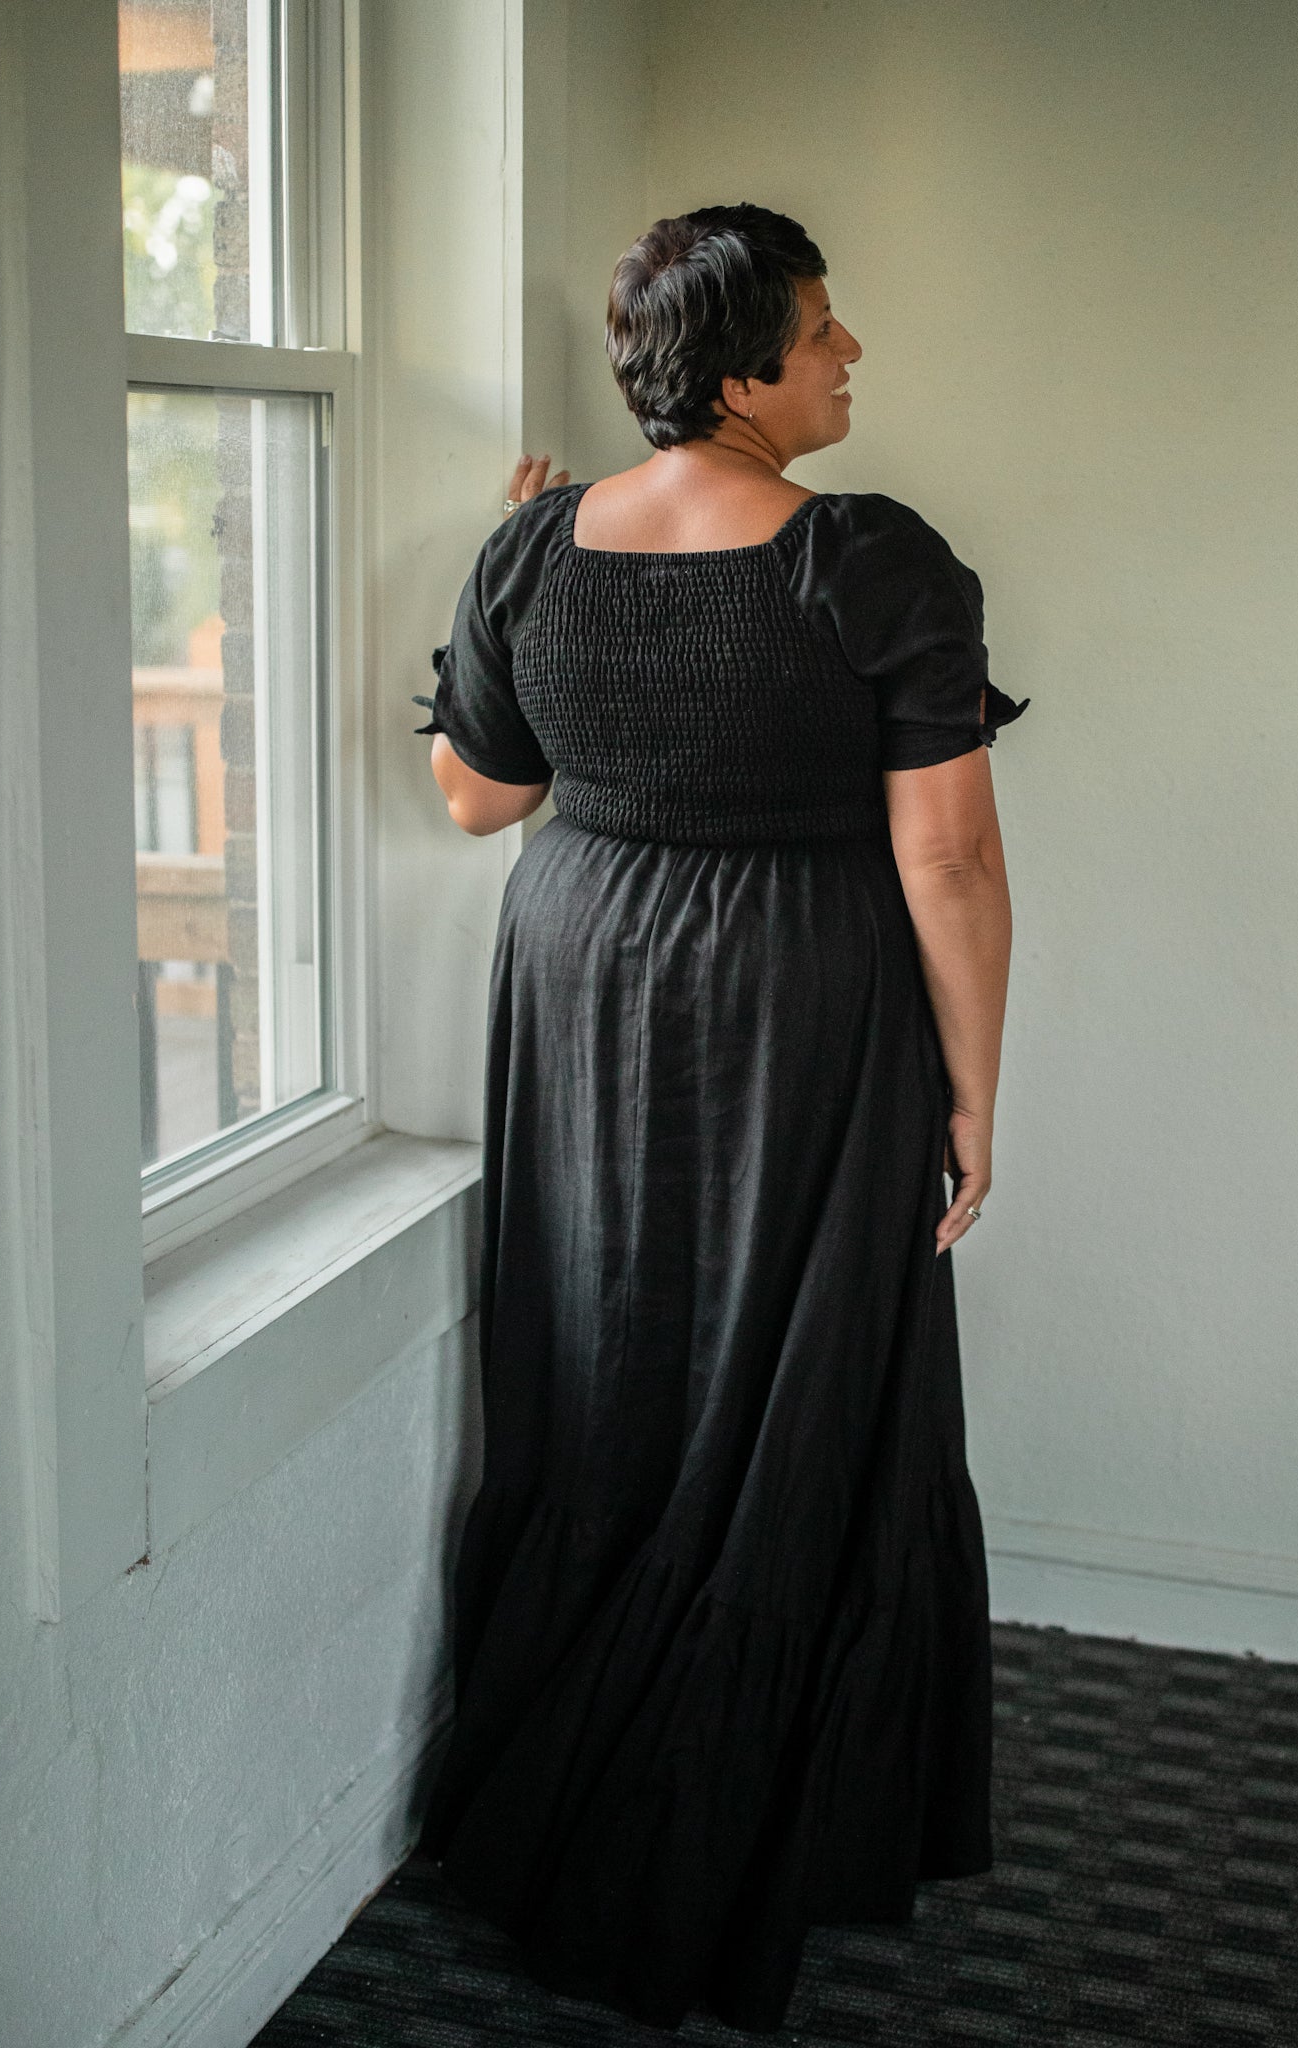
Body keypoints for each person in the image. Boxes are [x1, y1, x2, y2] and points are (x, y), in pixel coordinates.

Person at [413, 202, 1030, 2035]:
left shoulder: (533, 547)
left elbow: (470, 801)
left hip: (585, 974)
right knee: (800, 1374)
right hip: (797, 995)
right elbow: (950, 852)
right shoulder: (872, 559)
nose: (854, 360)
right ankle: (760, 1820)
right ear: (748, 362)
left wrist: (500, 572)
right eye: (829, 331)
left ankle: (571, 1789)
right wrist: (979, 1090)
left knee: (609, 1356)